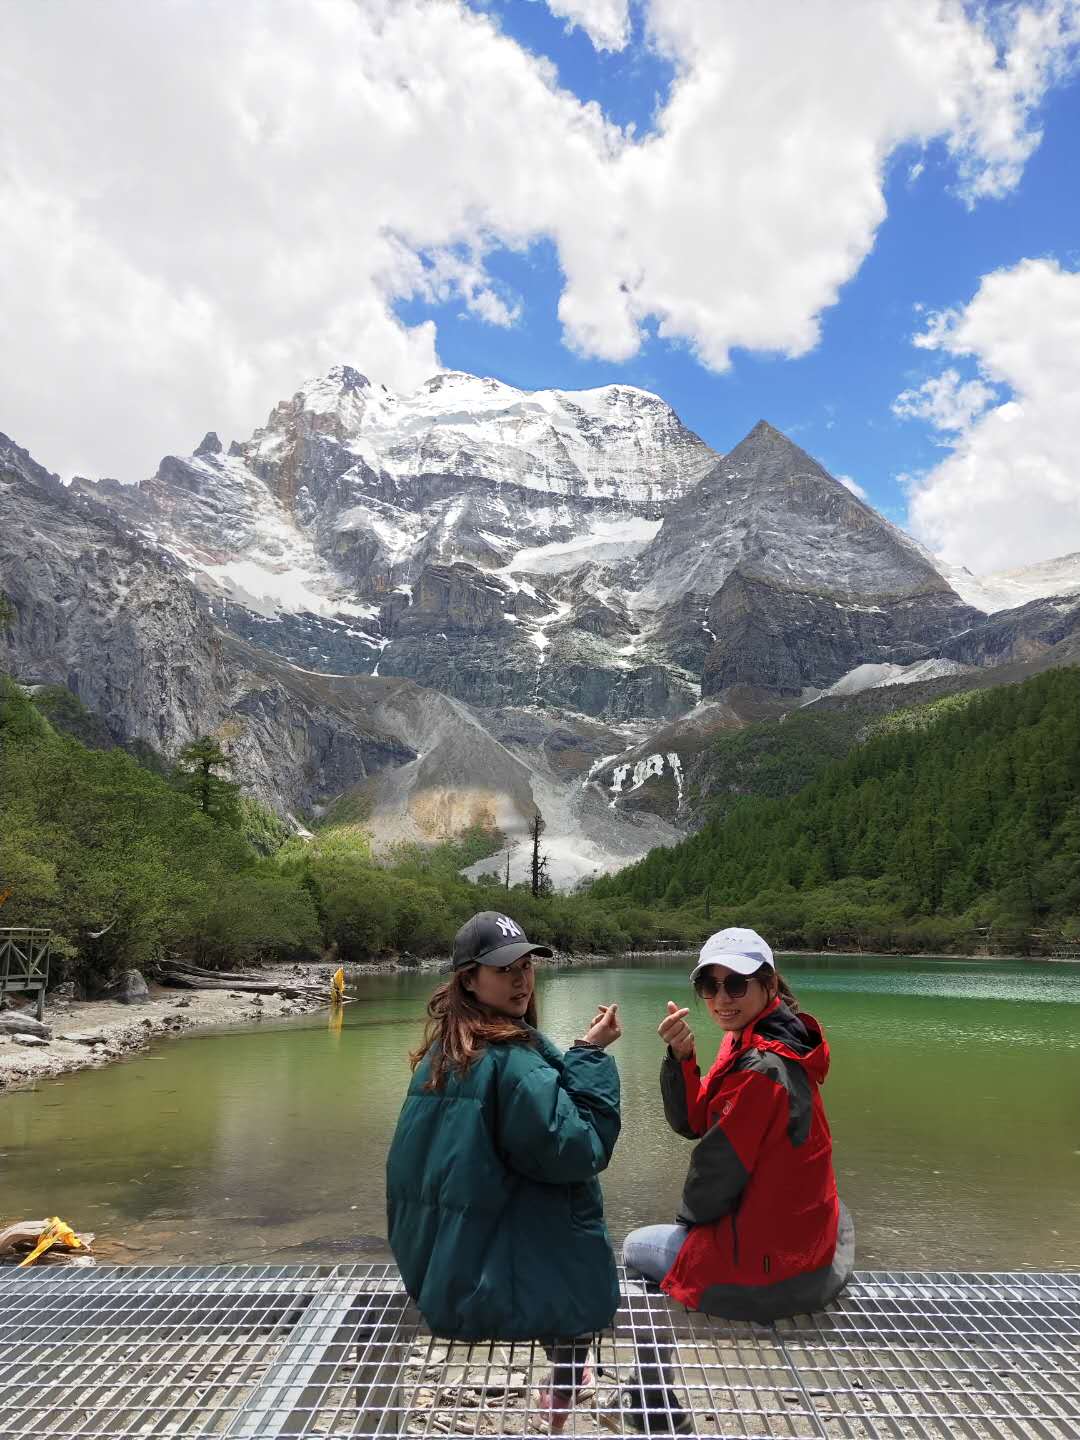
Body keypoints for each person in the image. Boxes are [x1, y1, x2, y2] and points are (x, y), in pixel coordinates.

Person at [386, 910, 623, 1434]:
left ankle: (563, 1388)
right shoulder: (512, 1062)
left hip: (436, 1269)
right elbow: (581, 1150)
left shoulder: (442, 1052)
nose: (521, 979)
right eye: (504, 969)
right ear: (469, 978)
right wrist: (590, 1055)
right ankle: (563, 1393)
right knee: (580, 1264)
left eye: (527, 966)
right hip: (485, 1287)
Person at [623, 926, 854, 1325]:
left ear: (768, 984)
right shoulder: (758, 1037)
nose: (721, 999)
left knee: (632, 1247)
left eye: (735, 984)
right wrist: (681, 1057)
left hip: (773, 1273)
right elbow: (693, 1121)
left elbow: (712, 1179)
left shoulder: (761, 1067)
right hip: (807, 1247)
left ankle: (657, 1367)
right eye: (709, 986)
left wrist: (692, 1236)